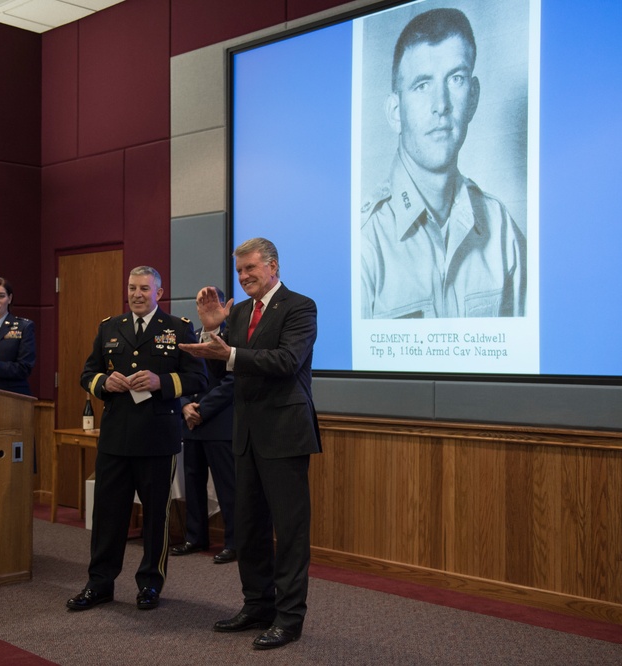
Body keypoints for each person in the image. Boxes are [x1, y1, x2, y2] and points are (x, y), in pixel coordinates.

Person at [179, 238, 321, 650]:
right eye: (239, 271)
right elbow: (225, 362)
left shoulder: (300, 307)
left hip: (285, 433)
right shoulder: (238, 312)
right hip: (245, 435)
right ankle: (257, 606)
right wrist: (211, 329)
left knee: (290, 532)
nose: (243, 277)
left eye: (251, 269)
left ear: (273, 266)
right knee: (250, 527)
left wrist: (228, 352)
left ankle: (289, 618)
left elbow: (285, 361)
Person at [361, 7, 526, 319]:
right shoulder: (365, 242)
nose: (441, 105)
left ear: (473, 97)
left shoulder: (501, 228)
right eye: (422, 85)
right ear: (396, 111)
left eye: (456, 79)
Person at [66, 266, 207, 613]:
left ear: (159, 292)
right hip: (115, 436)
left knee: (156, 517)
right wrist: (102, 382)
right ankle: (99, 584)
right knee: (107, 516)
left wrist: (162, 382)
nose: (137, 294)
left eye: (144, 288)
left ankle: (150, 584)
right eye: (132, 288)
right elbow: (87, 372)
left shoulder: (178, 328)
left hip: (157, 438)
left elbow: (197, 378)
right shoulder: (109, 327)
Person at [172, 286, 238, 565]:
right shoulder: (189, 336)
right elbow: (181, 376)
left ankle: (235, 543)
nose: (202, 309)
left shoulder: (231, 337)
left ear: (223, 307)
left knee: (228, 486)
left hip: (219, 422)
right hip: (191, 422)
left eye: (209, 304)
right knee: (193, 482)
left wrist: (204, 409)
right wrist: (185, 404)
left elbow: (233, 381)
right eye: (199, 305)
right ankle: (195, 537)